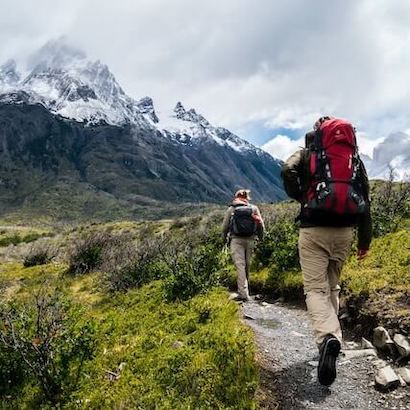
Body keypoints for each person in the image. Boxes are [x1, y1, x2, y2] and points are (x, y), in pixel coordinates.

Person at [281, 116, 372, 386]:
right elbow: (365, 198)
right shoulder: (352, 159)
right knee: (332, 287)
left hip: (314, 229)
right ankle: (331, 340)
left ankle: (328, 338)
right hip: (345, 231)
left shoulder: (309, 153)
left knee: (315, 289)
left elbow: (287, 170)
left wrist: (301, 196)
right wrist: (364, 242)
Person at [222, 189, 265, 301]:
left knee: (240, 265)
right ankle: (246, 291)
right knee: (247, 265)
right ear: (247, 198)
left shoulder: (231, 209)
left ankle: (243, 293)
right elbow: (261, 225)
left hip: (236, 240)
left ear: (236, 197)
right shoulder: (254, 208)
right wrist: (261, 239)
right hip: (250, 240)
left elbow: (224, 227)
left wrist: (224, 241)